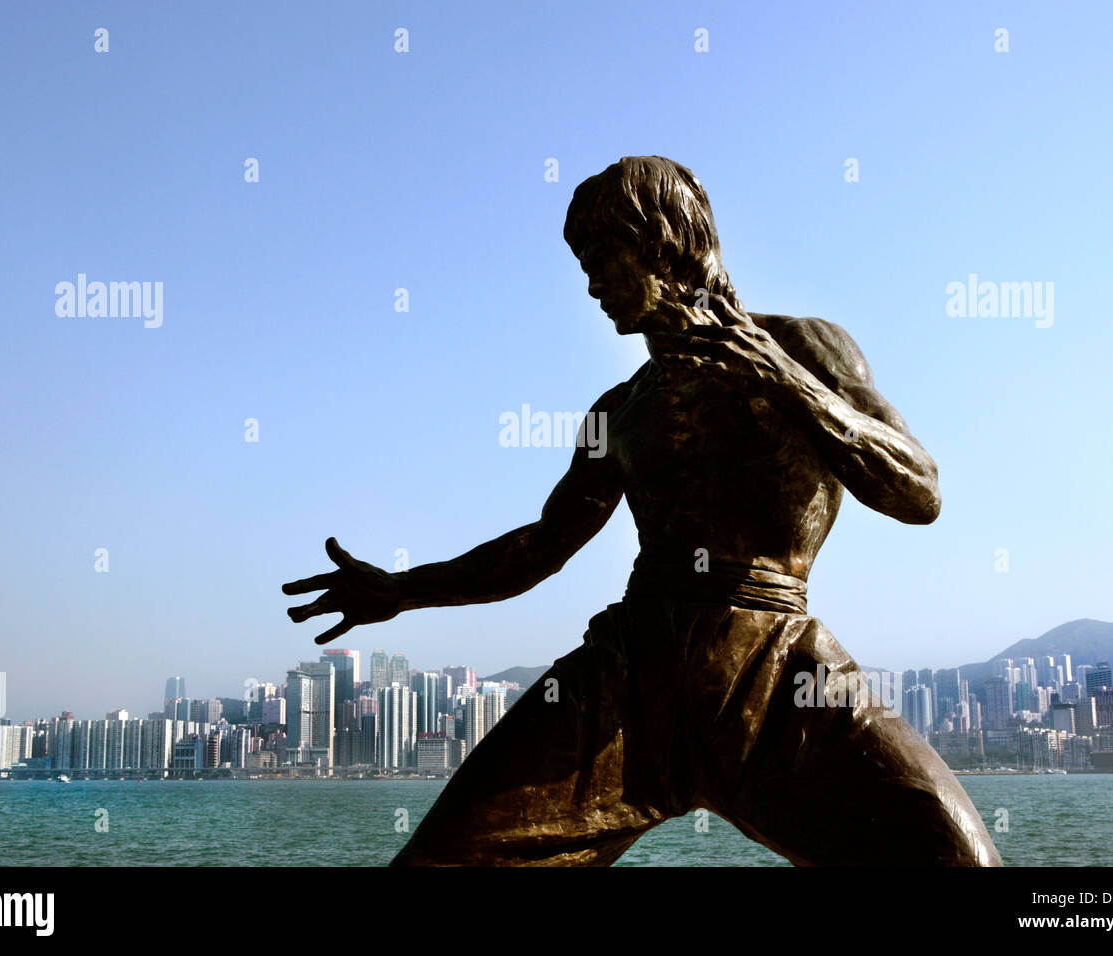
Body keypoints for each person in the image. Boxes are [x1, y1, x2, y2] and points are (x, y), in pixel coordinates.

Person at [282, 156, 1002, 867]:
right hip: (631, 678)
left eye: (604, 257)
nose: (592, 284)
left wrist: (781, 379)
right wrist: (405, 590)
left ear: (664, 240)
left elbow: (919, 491)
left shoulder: (806, 348)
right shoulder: (619, 412)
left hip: (777, 672)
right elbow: (543, 544)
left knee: (956, 857)